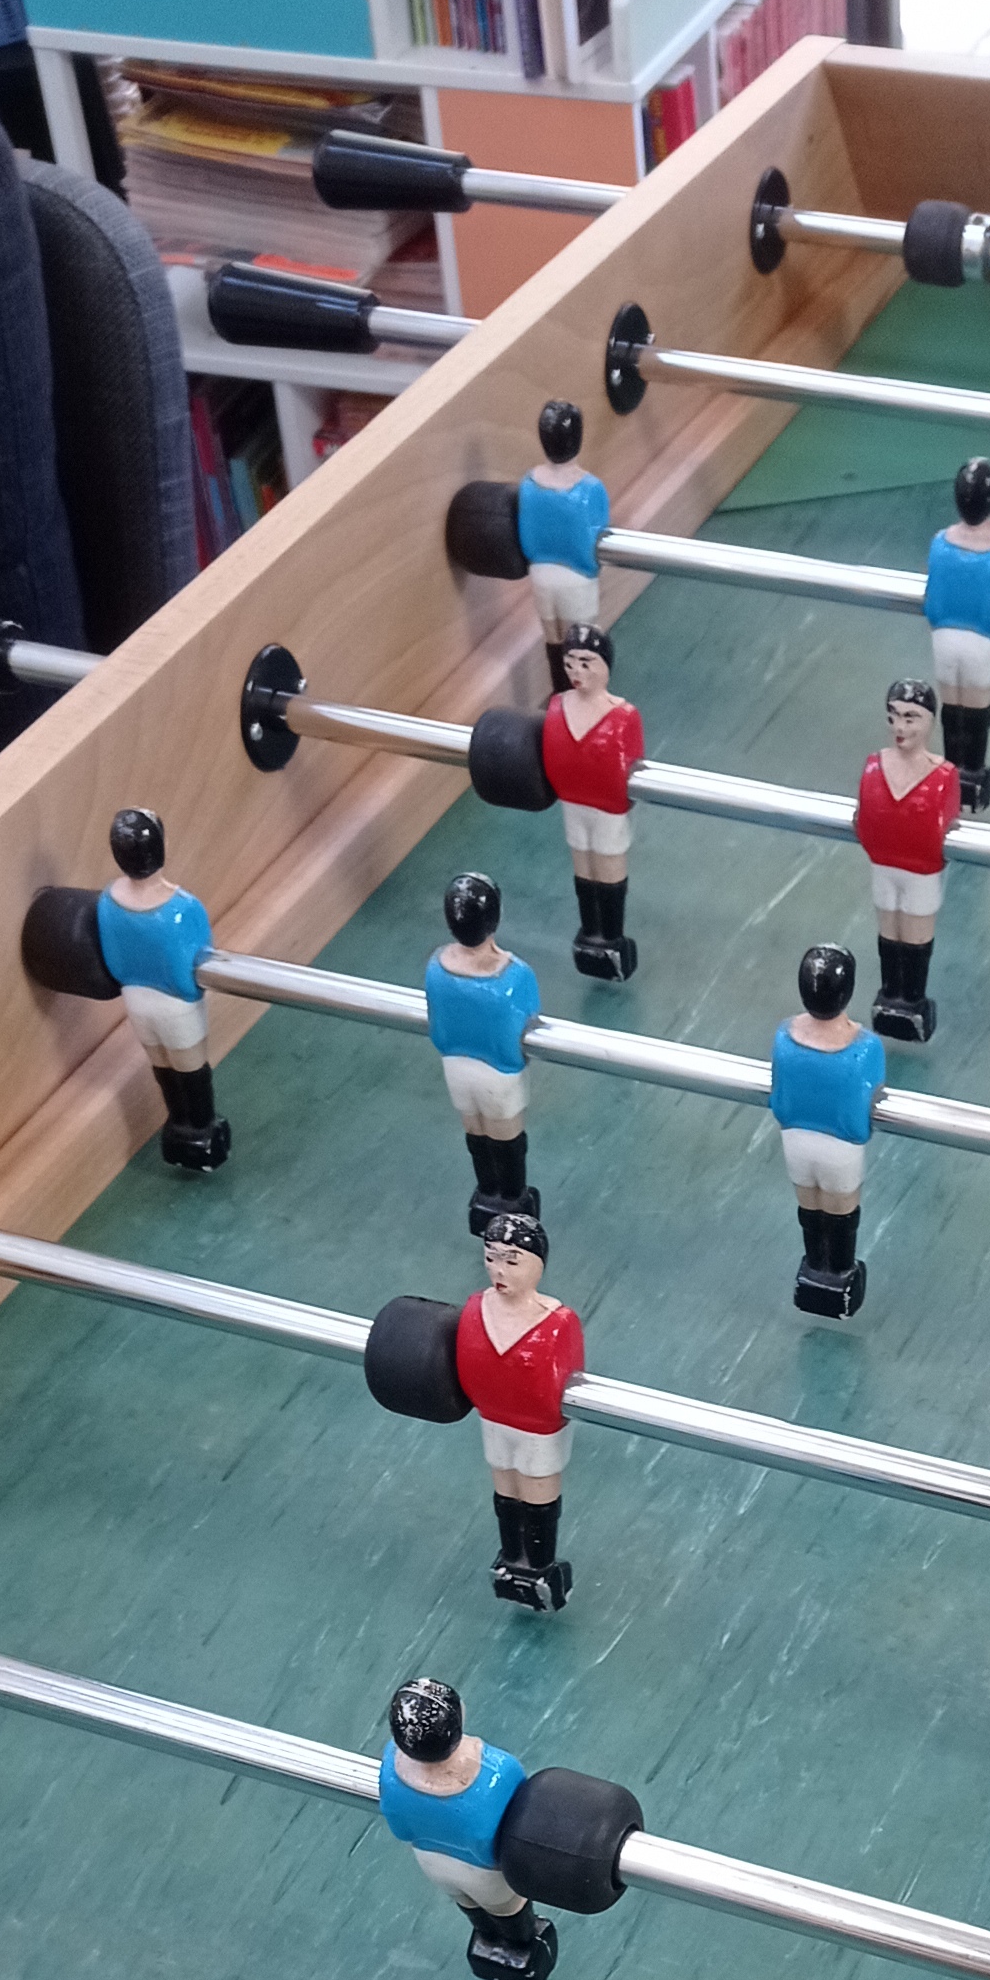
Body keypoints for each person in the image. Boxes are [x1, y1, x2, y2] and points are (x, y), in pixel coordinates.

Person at [377, 1676, 556, 1980]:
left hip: (432, 1863)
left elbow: (400, 1830)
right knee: (508, 1912)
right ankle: (519, 1948)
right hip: (485, 1872)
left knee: (469, 1905)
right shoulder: (497, 1773)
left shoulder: (391, 1769)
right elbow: (497, 1836)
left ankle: (486, 1939)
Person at [458, 1209, 583, 1610]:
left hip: (540, 1427)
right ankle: (511, 1556)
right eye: (490, 1257)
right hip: (494, 1416)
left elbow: (564, 1378)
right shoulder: (476, 1308)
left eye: (512, 1261)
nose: (499, 1270)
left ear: (537, 1266)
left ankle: (540, 1563)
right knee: (506, 1486)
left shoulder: (557, 1322)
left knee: (537, 1487)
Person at [95, 806, 227, 1172]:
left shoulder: (108, 901)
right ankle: (202, 1129)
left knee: (162, 1065)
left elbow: (115, 963)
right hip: (176, 1004)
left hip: (135, 999)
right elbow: (193, 965)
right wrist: (190, 993)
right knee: (190, 1066)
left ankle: (178, 1123)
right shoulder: (183, 908)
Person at [769, 942, 886, 1318]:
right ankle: (839, 1272)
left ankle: (814, 1266)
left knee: (809, 1205)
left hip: (795, 1140)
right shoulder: (864, 1048)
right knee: (840, 1208)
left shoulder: (784, 1038)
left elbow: (780, 1102)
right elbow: (861, 1110)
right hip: (840, 1146)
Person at [424, 871, 541, 1235]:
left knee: (475, 1131)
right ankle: (513, 1198)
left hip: (455, 1065)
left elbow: (439, 1029)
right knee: (505, 1136)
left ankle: (487, 1193)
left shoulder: (436, 967)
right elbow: (526, 1021)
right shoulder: (514, 976)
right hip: (499, 1072)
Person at [854, 678, 962, 1046]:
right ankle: (890, 994)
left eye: (910, 718)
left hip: (920, 871)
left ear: (930, 721)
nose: (900, 727)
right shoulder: (875, 766)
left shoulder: (943, 776)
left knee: (914, 931)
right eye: (894, 717)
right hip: (885, 864)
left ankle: (912, 997)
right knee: (889, 928)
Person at [543, 624, 645, 981]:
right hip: (573, 802)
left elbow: (632, 766)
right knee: (583, 865)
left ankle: (612, 934)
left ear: (605, 665)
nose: (577, 672)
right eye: (570, 662)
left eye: (586, 663)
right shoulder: (557, 706)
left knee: (607, 863)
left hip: (608, 808)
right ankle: (590, 930)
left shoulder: (624, 715)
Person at [924, 455, 990, 809]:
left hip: (944, 637)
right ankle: (973, 777)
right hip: (983, 640)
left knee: (951, 707)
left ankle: (950, 774)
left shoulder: (939, 543)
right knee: (977, 711)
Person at [515, 397, 609, 693]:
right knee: (581, 648)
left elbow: (527, 539)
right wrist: (589, 566)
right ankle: (585, 702)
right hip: (577, 579)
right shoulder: (590, 489)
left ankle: (560, 698)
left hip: (541, 575)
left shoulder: (528, 484)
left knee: (554, 645)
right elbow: (594, 541)